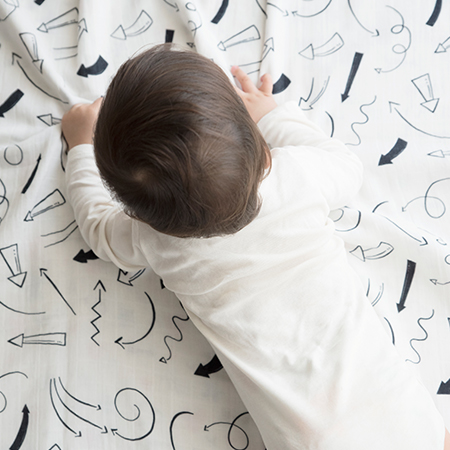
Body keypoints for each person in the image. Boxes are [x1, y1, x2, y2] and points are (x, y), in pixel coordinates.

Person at [62, 44, 449, 449]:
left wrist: (81, 148)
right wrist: (272, 114)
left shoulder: (155, 239)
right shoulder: (295, 175)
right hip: (394, 407)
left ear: (139, 213)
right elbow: (347, 166)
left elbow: (98, 227)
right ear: (263, 152)